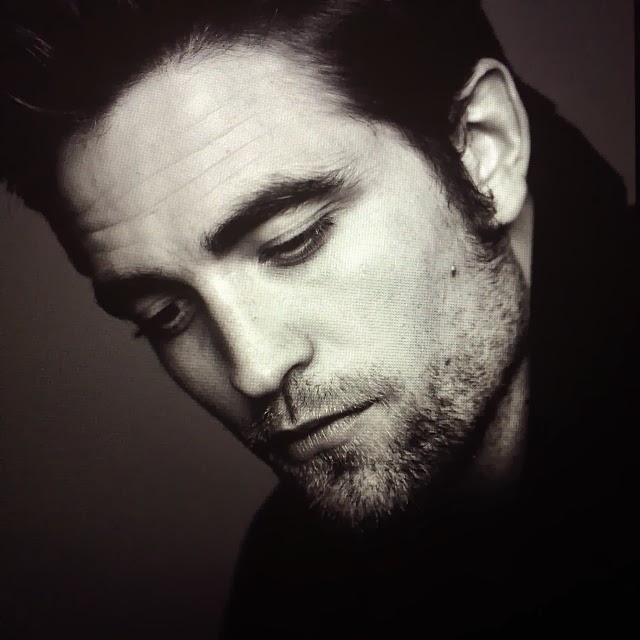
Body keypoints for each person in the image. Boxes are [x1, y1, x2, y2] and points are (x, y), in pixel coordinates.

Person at [1, 1, 635, 637]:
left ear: (482, 147)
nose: (254, 370)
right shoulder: (288, 581)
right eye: (164, 314)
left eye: (294, 242)